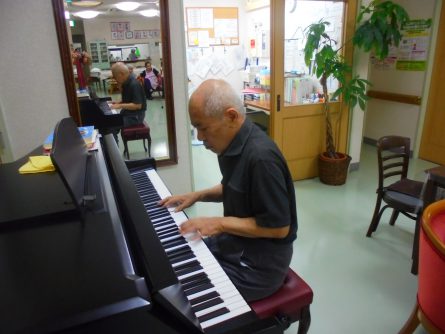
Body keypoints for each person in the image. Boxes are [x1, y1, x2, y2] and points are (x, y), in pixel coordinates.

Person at [159, 79, 297, 302]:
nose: (201, 138)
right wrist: (198, 195)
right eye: (196, 129)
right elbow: (233, 186)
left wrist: (217, 223)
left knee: (183, 293)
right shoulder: (231, 144)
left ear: (231, 117)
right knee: (175, 257)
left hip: (259, 265)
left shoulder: (262, 159)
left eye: (203, 128)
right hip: (235, 243)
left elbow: (279, 228)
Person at [110, 62, 147, 142]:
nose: (115, 79)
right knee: (111, 122)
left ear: (121, 74)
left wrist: (120, 106)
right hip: (128, 113)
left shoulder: (134, 84)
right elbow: (128, 99)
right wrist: (118, 103)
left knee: (111, 126)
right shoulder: (126, 82)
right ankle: (112, 143)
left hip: (135, 117)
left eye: (115, 76)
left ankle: (113, 152)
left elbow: (137, 105)